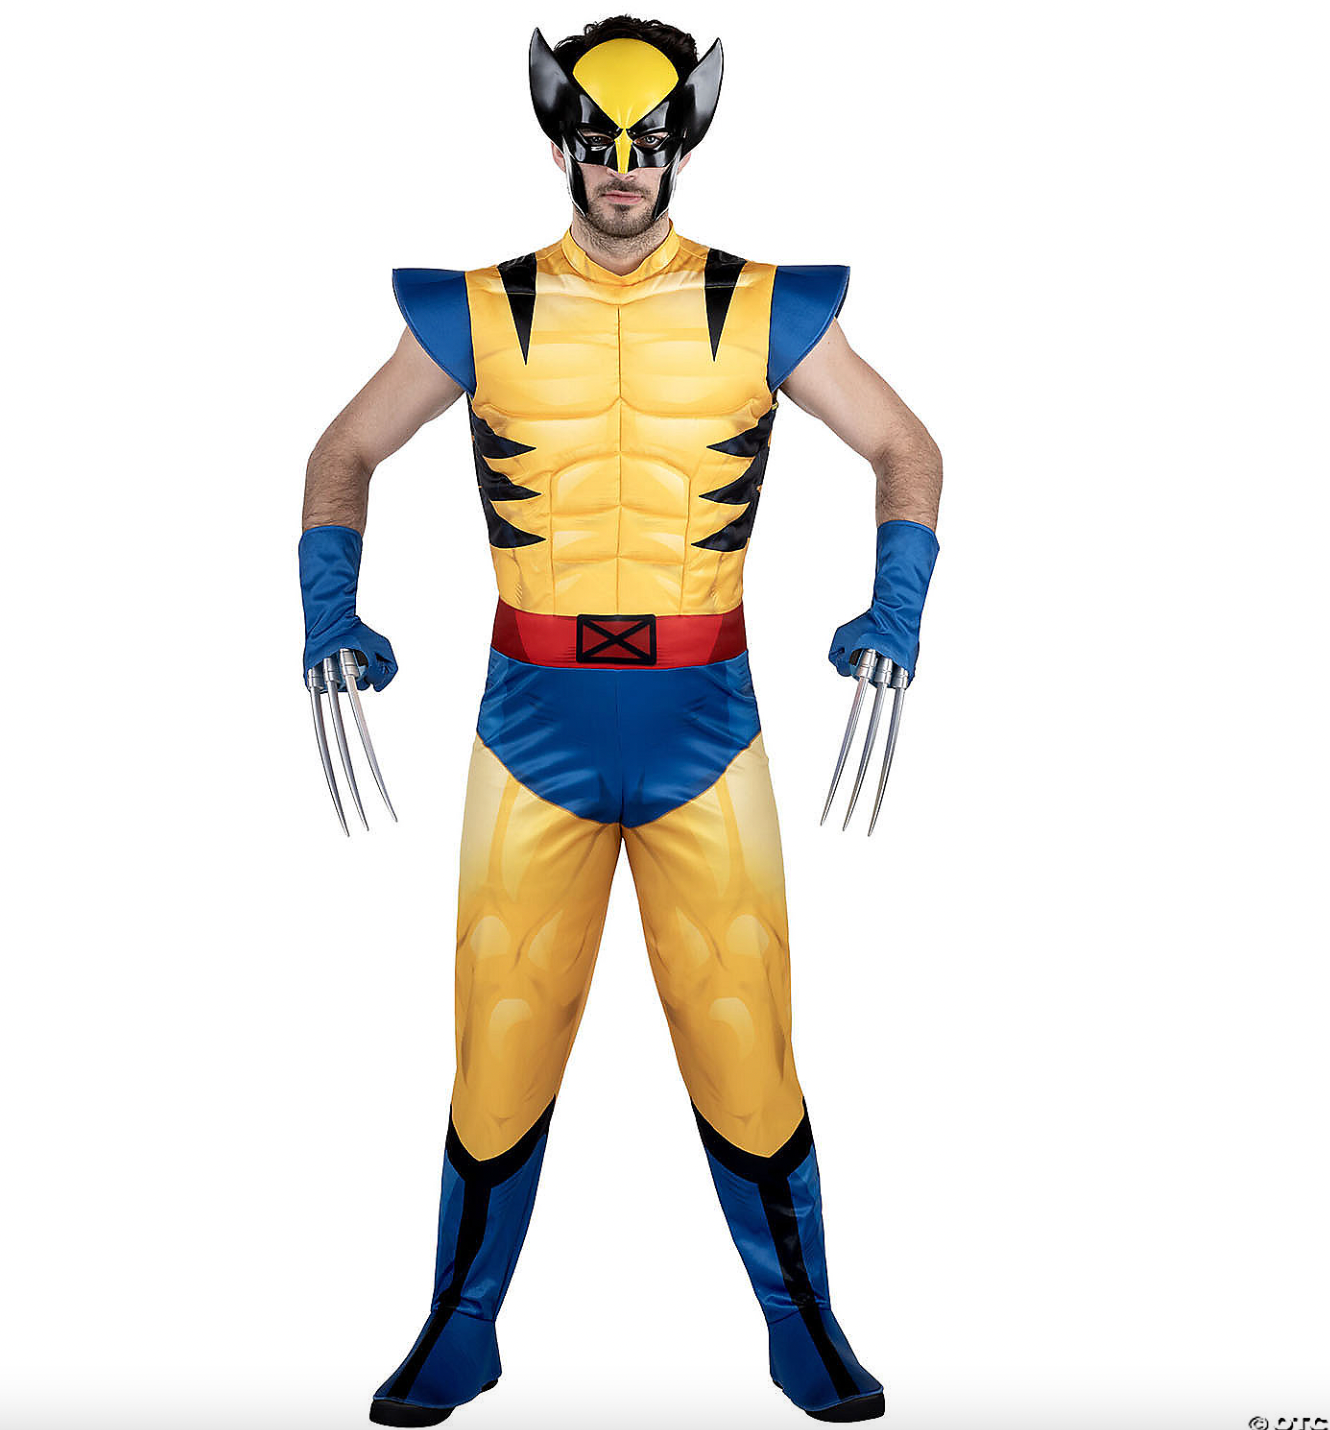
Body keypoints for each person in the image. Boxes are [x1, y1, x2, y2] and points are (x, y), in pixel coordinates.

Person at [299, 17, 942, 1425]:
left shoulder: (761, 306)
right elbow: (344, 448)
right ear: (560, 146)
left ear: (683, 147)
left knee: (746, 1042)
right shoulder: (482, 310)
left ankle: (805, 1326)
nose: (623, 169)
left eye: (647, 144)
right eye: (598, 143)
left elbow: (905, 445)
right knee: (498, 1046)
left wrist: (897, 605)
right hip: (528, 729)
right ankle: (458, 1328)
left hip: (705, 728)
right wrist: (326, 603)